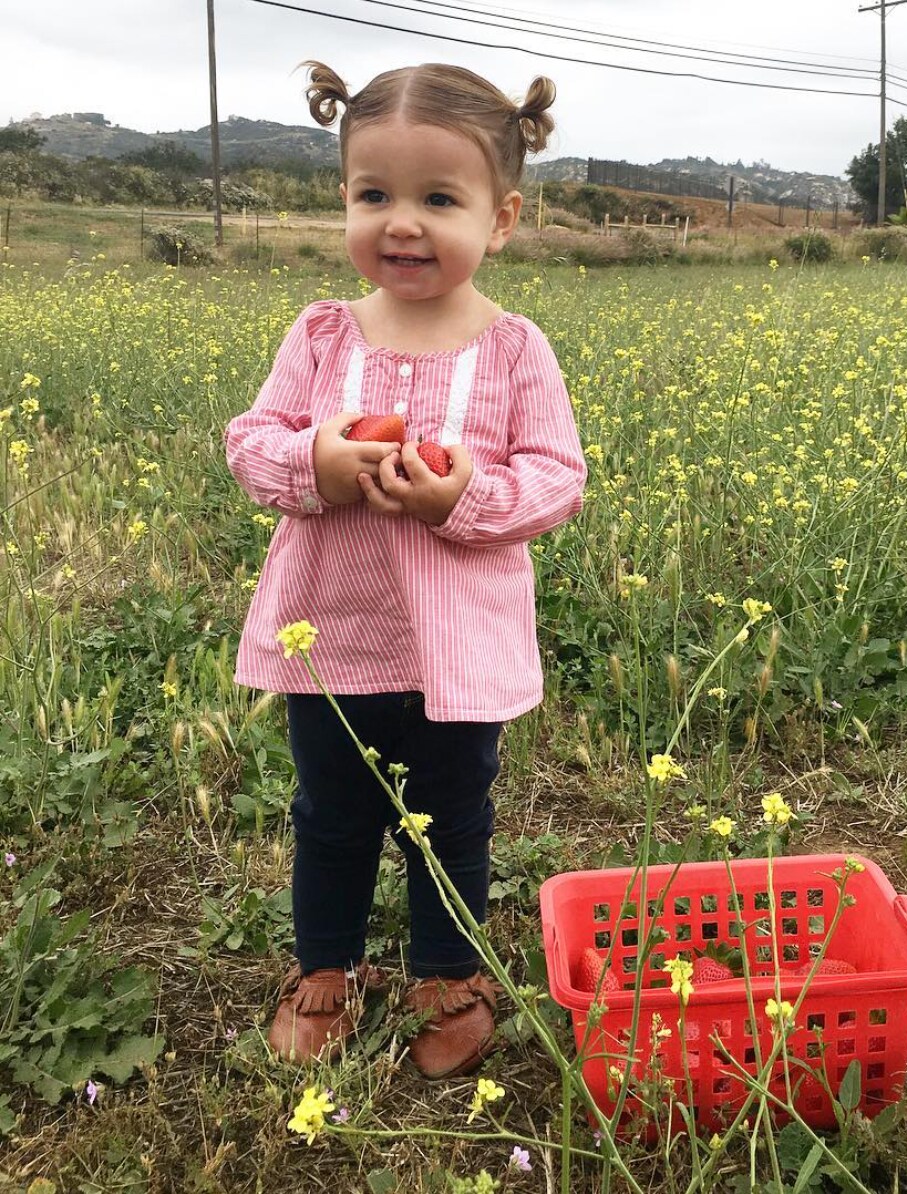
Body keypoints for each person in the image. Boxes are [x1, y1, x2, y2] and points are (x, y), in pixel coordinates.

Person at [225, 59, 586, 1078]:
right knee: (329, 818)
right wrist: (316, 464)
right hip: (332, 640)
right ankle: (327, 968)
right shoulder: (322, 334)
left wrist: (461, 498)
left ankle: (444, 972)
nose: (402, 222)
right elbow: (250, 444)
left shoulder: (515, 351)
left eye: (438, 198)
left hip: (455, 653)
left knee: (452, 822)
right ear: (342, 198)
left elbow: (558, 481)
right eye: (373, 194)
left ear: (501, 218)